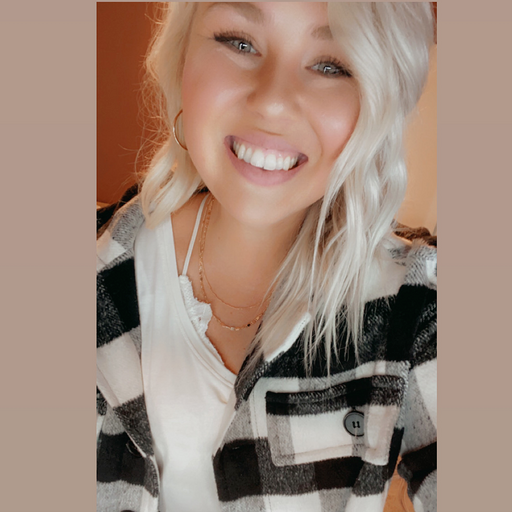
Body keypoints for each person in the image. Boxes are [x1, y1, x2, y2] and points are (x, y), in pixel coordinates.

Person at [96, 3, 437, 512]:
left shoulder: (417, 311)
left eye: (332, 65)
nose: (273, 102)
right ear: (182, 57)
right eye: (239, 42)